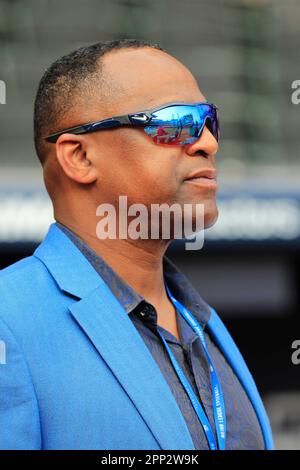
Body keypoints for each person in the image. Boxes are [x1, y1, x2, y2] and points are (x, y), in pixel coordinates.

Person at [0, 39, 273, 450]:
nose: (207, 143)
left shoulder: (201, 321)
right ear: (79, 157)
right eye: (177, 122)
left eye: (209, 121)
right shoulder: (10, 321)